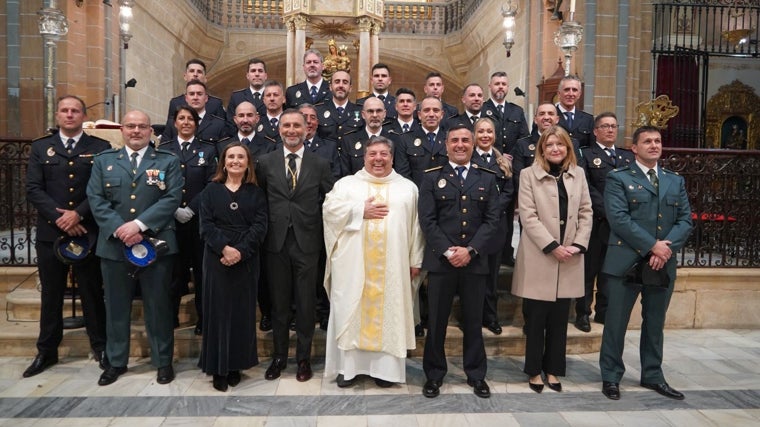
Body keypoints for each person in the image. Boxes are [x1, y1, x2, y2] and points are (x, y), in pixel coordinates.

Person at [87, 110, 183, 386]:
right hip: (115, 246)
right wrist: (121, 228)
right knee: (116, 307)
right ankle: (116, 361)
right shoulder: (104, 162)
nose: (136, 131)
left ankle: (163, 361)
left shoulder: (167, 161)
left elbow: (172, 197)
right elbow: (95, 198)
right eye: (131, 126)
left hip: (156, 245)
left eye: (142, 126)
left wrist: (139, 225)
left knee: (158, 306)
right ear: (122, 130)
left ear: (151, 131)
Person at [322, 136, 425, 388]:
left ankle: (385, 371)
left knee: (390, 312)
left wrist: (415, 260)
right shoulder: (346, 185)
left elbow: (417, 228)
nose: (378, 159)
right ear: (364, 156)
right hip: (352, 266)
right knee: (350, 311)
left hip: (394, 267)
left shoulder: (407, 188)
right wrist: (359, 211)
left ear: (392, 157)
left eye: (384, 154)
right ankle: (349, 368)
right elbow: (328, 211)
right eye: (373, 154)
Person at [600, 126, 693, 401]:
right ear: (634, 147)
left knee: (655, 322)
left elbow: (685, 220)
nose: (654, 145)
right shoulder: (618, 178)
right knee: (616, 323)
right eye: (647, 141)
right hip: (625, 262)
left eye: (658, 141)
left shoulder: (674, 180)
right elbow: (618, 219)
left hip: (661, 263)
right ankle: (611, 376)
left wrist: (664, 249)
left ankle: (653, 375)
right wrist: (652, 245)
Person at [24, 95, 109, 377]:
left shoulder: (100, 147)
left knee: (92, 292)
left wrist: (79, 215)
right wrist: (62, 218)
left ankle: (101, 347)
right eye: (65, 111)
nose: (70, 115)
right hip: (52, 233)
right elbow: (34, 189)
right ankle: (47, 351)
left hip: (87, 232)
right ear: (58, 116)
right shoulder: (41, 148)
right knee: (51, 294)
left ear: (84, 116)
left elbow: (103, 188)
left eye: (75, 111)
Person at [418, 124, 501, 399]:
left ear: (474, 143)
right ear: (446, 144)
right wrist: (448, 251)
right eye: (455, 140)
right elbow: (427, 221)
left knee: (474, 321)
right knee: (437, 322)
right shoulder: (431, 178)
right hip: (442, 263)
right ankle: (433, 375)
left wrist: (471, 250)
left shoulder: (487, 178)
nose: (461, 144)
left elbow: (492, 221)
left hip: (475, 262)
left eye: (466, 140)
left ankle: (476, 374)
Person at [511, 125, 592, 394]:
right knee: (535, 320)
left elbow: (586, 211)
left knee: (560, 320)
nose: (555, 149)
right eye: (549, 145)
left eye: (560, 145)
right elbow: (528, 215)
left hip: (570, 255)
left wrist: (577, 245)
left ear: (568, 148)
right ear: (541, 149)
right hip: (540, 255)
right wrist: (553, 246)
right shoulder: (527, 175)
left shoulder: (578, 174)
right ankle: (534, 370)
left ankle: (554, 368)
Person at [256, 109, 336, 382]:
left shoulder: (320, 163)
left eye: (297, 126)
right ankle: (279, 357)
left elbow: (331, 201)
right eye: (286, 125)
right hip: (275, 242)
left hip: (308, 242)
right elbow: (261, 200)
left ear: (307, 129)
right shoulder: (265, 163)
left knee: (305, 304)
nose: (292, 130)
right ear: (279, 129)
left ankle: (303, 359)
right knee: (279, 305)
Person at [198, 142, 268, 392]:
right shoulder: (210, 191)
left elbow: (260, 226)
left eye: (241, 157)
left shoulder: (256, 192)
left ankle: (236, 365)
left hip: (246, 259)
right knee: (217, 313)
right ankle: (217, 367)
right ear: (223, 162)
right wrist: (225, 249)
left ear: (248, 162)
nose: (236, 161)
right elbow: (205, 225)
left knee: (241, 313)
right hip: (216, 258)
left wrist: (240, 251)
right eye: (231, 157)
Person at [159, 105, 218, 335]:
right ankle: (171, 317)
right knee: (173, 273)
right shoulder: (164, 150)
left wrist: (191, 209)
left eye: (190, 119)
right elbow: (158, 184)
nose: (185, 122)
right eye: (181, 118)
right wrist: (174, 208)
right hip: (170, 222)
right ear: (175, 123)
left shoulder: (208, 150)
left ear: (196, 123)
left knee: (203, 274)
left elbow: (211, 183)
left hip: (198, 222)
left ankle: (203, 319)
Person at [575, 112, 634, 332]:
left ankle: (604, 312)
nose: (610, 130)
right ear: (595, 131)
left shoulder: (626, 157)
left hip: (619, 227)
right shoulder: (586, 155)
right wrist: (611, 212)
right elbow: (586, 188)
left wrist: (622, 216)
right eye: (605, 126)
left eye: (613, 126)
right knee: (589, 271)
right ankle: (583, 313)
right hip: (596, 222)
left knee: (610, 271)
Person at [469, 117, 514, 336]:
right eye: (481, 132)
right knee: (474, 276)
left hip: (496, 228)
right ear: (474, 135)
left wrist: (492, 209)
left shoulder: (502, 162)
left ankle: (491, 316)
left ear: (494, 135)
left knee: (492, 277)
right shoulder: (468, 159)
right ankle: (473, 317)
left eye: (489, 132)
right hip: (473, 227)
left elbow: (508, 191)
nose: (485, 135)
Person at [164, 59, 225, 135]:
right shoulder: (175, 103)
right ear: (185, 76)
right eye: (192, 71)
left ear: (206, 78)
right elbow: (171, 129)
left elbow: (221, 129)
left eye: (199, 72)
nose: (195, 74)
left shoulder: (216, 103)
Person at [162, 80, 234, 143]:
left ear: (206, 98)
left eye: (199, 94)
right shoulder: (172, 124)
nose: (195, 98)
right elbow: (164, 151)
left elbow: (224, 153)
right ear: (186, 98)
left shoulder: (219, 124)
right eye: (192, 94)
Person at [341, 97, 392, 175]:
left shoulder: (394, 139)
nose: (375, 115)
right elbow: (345, 173)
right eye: (370, 111)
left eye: (378, 111)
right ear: (363, 115)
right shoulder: (349, 140)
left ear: (384, 114)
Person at [316, 71, 363, 149]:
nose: (341, 85)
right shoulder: (318, 110)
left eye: (345, 82)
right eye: (337, 82)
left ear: (350, 88)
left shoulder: (360, 111)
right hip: (326, 159)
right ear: (330, 87)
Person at [555, 75, 594, 148]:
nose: (570, 94)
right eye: (566, 90)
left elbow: (592, 148)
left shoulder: (588, 119)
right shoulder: (549, 117)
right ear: (559, 94)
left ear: (579, 94)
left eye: (574, 90)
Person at [226, 58, 268, 123]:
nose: (257, 74)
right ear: (248, 76)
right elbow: (230, 122)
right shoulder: (237, 97)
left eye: (260, 71)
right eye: (253, 71)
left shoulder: (273, 96)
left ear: (265, 76)